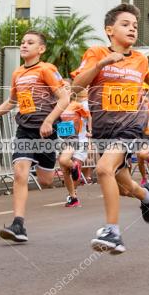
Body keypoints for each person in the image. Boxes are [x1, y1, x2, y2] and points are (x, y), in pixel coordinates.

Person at [72, 3, 149, 255]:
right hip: (104, 129)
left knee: (103, 169)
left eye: (135, 26)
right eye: (125, 24)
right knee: (124, 185)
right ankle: (146, 195)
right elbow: (76, 86)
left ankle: (112, 231)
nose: (132, 29)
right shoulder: (95, 52)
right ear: (109, 30)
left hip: (130, 128)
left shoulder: (140, 59)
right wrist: (102, 64)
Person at [0, 31, 70, 243]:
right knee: (20, 172)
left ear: (41, 49)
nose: (24, 45)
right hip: (25, 129)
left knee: (45, 180)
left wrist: (49, 121)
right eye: (22, 42)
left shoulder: (47, 69)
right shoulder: (17, 73)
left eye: (30, 43)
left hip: (47, 131)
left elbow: (64, 98)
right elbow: (12, 101)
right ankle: (18, 224)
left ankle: (56, 165)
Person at [56, 79, 91, 207]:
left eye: (66, 87)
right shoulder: (57, 106)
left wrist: (90, 131)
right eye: (61, 87)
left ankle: (74, 191)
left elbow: (88, 117)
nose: (64, 90)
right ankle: (73, 196)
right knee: (65, 169)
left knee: (71, 164)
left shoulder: (78, 105)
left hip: (79, 139)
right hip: (65, 140)